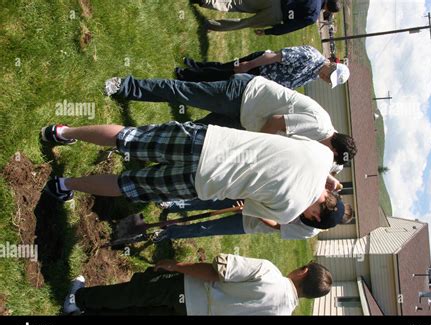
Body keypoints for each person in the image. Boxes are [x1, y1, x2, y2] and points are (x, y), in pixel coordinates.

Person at [41, 121, 336, 227]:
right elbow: (246, 204)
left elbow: (300, 146)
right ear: (313, 216)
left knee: (129, 138)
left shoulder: (325, 156)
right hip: (203, 182)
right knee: (128, 185)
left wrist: (326, 174)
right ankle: (64, 184)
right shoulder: (288, 212)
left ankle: (62, 132)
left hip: (210, 141)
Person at [104, 74, 357, 166]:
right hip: (243, 96)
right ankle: (124, 85)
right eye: (332, 157)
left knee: (188, 136)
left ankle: (127, 141)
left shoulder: (319, 140)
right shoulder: (319, 125)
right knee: (183, 92)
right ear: (334, 148)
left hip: (245, 121)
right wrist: (257, 146)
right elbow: (277, 121)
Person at [63, 253, 333, 315]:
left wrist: (176, 266)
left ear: (303, 271)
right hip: (192, 314)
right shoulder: (282, 314)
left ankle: (78, 301)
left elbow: (217, 272)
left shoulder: (270, 272)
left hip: (184, 289)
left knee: (134, 294)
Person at [153, 194, 353, 241]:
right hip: (253, 195)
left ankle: (168, 233)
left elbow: (277, 226)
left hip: (249, 220)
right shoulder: (318, 196)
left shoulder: (309, 230)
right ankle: (173, 204)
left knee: (208, 228)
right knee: (211, 201)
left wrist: (253, 211)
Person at [175, 45, 350, 90]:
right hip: (258, 65)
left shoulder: (315, 74)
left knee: (223, 70)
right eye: (330, 76)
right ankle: (186, 74)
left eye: (329, 82)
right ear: (332, 65)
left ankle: (194, 68)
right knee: (223, 73)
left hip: (258, 77)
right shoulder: (311, 57)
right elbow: (274, 56)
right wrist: (248, 65)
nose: (326, 79)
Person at [191, 0, 340, 36]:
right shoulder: (313, 16)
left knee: (237, 3)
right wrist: (269, 32)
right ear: (329, 10)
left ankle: (205, 1)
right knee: (244, 23)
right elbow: (290, 27)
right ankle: (210, 25)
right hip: (277, 15)